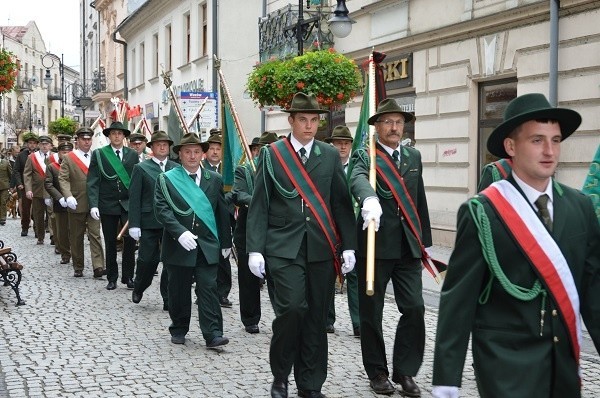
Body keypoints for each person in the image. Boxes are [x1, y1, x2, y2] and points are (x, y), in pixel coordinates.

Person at [432, 93, 600, 398]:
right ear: (511, 147)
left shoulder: (580, 208)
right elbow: (459, 301)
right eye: (537, 140)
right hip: (506, 366)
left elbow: (593, 292)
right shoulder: (483, 212)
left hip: (563, 364)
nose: (550, 151)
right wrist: (447, 381)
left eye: (556, 140)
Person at [246, 92, 357, 398]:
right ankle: (280, 375)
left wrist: (349, 245)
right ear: (291, 121)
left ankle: (310, 383)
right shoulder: (272, 154)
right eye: (303, 120)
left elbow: (340, 204)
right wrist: (255, 248)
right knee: (292, 309)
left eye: (314, 120)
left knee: (316, 317)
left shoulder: (329, 155)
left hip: (320, 247)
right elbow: (260, 203)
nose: (310, 126)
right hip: (283, 247)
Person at [350, 99, 431, 397]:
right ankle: (378, 372)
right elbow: (356, 178)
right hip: (374, 245)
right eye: (388, 122)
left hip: (407, 246)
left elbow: (418, 200)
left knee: (415, 307)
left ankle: (406, 371)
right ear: (377, 126)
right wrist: (369, 198)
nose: (395, 127)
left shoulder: (414, 156)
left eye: (399, 122)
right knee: (371, 312)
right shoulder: (365, 156)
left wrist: (425, 242)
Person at [154, 132, 232, 348]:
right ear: (179, 154)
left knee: (208, 287)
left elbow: (221, 212)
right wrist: (179, 232)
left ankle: (213, 333)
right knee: (178, 289)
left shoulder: (214, 179)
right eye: (187, 152)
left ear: (203, 154)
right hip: (178, 244)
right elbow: (161, 209)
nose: (192, 156)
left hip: (206, 244)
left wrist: (225, 241)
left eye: (196, 152)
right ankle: (179, 327)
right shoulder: (167, 179)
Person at [231, 131, 278, 334]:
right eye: (264, 147)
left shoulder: (282, 171)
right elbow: (238, 193)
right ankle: (250, 319)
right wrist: (258, 202)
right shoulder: (245, 170)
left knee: (279, 278)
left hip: (276, 233)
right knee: (249, 279)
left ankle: (283, 317)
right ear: (257, 150)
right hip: (248, 232)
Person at [129, 131, 179, 309]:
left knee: (170, 261)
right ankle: (140, 285)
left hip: (172, 222)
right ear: (152, 147)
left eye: (165, 144)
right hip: (149, 220)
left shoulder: (176, 167)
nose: (163, 147)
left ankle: (168, 297)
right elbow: (134, 197)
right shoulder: (141, 168)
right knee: (147, 259)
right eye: (158, 144)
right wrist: (134, 224)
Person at [87, 121, 139, 290]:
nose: (117, 136)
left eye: (120, 133)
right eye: (113, 133)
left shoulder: (132, 155)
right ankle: (112, 277)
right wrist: (93, 204)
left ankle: (129, 276)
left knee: (130, 242)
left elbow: (137, 181)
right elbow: (93, 180)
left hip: (127, 204)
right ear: (109, 136)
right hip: (107, 203)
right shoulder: (99, 154)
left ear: (124, 136)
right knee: (110, 242)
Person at [324, 125, 360, 336]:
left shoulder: (359, 168)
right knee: (328, 274)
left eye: (346, 143)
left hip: (352, 228)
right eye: (338, 143)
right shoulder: (325, 166)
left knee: (354, 275)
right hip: (329, 227)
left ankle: (358, 322)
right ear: (332, 145)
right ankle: (327, 319)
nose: (343, 146)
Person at [59, 128, 105, 278]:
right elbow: (63, 178)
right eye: (83, 139)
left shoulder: (96, 156)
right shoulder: (69, 158)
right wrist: (68, 195)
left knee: (95, 235)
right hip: (76, 202)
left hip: (93, 204)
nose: (87, 142)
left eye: (89, 139)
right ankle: (78, 266)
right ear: (77, 141)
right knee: (76, 236)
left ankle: (98, 267)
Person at [202, 130, 235, 308]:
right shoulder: (200, 169)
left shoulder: (229, 170)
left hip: (226, 216)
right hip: (206, 216)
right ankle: (204, 292)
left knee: (224, 256)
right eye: (212, 148)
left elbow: (235, 190)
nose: (215, 152)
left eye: (218, 149)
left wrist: (225, 202)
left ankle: (222, 292)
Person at [45, 141, 73, 266]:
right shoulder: (52, 167)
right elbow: (48, 184)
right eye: (63, 152)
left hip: (76, 202)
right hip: (60, 203)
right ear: (59, 153)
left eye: (68, 152)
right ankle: (65, 254)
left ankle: (76, 254)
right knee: (62, 231)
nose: (66, 154)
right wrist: (59, 198)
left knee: (74, 231)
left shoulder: (77, 165)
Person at [23, 135, 53, 245]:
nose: (44, 146)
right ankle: (40, 236)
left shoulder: (54, 157)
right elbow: (27, 174)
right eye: (42, 144)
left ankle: (53, 236)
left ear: (50, 146)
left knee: (52, 215)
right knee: (38, 215)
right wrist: (28, 189)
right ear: (39, 145)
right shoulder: (32, 157)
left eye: (46, 144)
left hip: (52, 191)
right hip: (37, 190)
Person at [13, 134, 39, 236]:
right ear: (27, 144)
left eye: (34, 143)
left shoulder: (39, 155)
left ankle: (38, 229)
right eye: (30, 143)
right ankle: (25, 227)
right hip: (24, 185)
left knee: (37, 209)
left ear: (37, 144)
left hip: (37, 185)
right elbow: (16, 171)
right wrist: (19, 183)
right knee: (25, 208)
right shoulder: (22, 155)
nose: (32, 145)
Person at [0, 154, 12, 226]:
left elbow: (10, 174)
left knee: (3, 201)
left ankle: (2, 218)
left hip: (4, 186)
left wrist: (12, 185)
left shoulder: (6, 163)